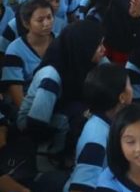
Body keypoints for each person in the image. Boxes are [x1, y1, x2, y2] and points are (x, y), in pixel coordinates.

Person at [17, 20, 106, 157]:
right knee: (86, 115)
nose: (103, 49)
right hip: (33, 125)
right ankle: (53, 157)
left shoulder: (84, 59)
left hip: (60, 111)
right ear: (83, 47)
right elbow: (36, 125)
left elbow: (113, 81)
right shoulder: (51, 77)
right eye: (98, 45)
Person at [66, 63, 133, 192]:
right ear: (122, 97)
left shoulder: (109, 123)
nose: (133, 89)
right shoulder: (96, 140)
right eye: (130, 85)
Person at [1, 0, 55, 108]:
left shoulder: (60, 42)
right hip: (30, 106)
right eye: (40, 20)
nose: (47, 23)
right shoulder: (15, 50)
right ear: (26, 24)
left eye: (49, 17)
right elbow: (19, 100)